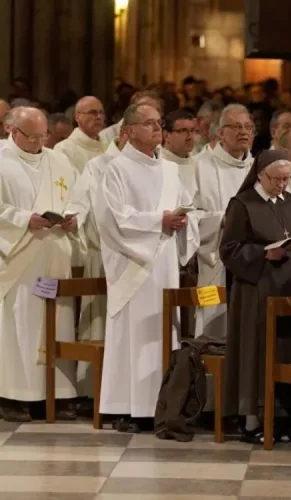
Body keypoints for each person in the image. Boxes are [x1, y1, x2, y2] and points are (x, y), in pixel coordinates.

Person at [95, 103, 199, 431]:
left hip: (164, 264)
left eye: (159, 122)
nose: (157, 128)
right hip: (133, 265)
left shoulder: (170, 170)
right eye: (148, 123)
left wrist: (184, 222)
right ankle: (126, 407)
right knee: (132, 333)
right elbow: (112, 219)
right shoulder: (116, 169)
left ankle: (162, 405)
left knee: (162, 332)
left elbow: (187, 210)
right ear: (129, 130)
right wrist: (159, 221)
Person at [220, 149, 291, 444]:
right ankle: (252, 418)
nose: (282, 185)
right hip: (256, 292)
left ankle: (290, 417)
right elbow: (229, 250)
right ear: (260, 175)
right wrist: (264, 253)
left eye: (287, 179)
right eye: (276, 179)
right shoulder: (243, 204)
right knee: (257, 352)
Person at [0, 107, 79, 421]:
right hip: (18, 258)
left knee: (58, 322)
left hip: (55, 253)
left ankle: (56, 394)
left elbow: (78, 199)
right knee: (21, 325)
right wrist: (23, 219)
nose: (38, 142)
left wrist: (74, 219)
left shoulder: (59, 161)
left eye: (42, 135)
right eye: (31, 136)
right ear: (11, 130)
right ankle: (14, 396)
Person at [65, 128, 128, 397]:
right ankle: (94, 390)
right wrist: (73, 218)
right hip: (103, 256)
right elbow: (78, 204)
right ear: (126, 132)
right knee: (100, 324)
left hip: (140, 262)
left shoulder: (159, 166)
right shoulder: (98, 165)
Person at [191, 104, 254, 339]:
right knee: (213, 336)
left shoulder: (258, 169)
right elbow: (189, 216)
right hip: (214, 262)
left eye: (247, 127)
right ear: (220, 133)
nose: (243, 132)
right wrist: (221, 220)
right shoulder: (200, 165)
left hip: (252, 263)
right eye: (236, 127)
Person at [54, 96, 106, 174]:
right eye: (92, 112)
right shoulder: (64, 149)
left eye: (101, 112)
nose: (99, 117)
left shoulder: (108, 145)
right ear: (77, 117)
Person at [161, 109, 198, 190]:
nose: (190, 137)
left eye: (192, 130)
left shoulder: (198, 165)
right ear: (166, 136)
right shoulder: (157, 165)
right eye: (183, 131)